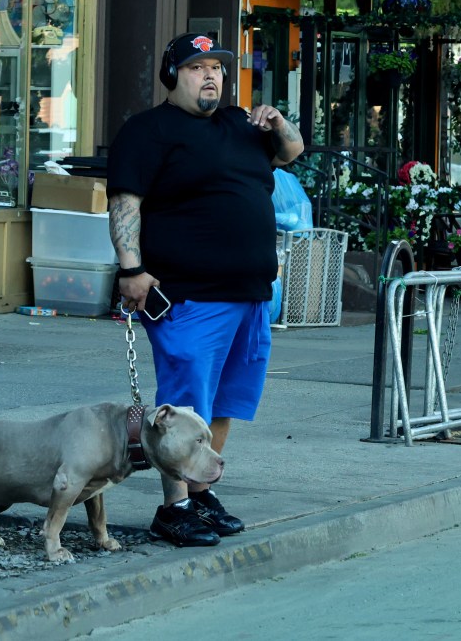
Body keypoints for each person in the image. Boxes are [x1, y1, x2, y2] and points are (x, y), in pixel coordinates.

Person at [106, 33, 304, 547]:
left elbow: (293, 152)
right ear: (174, 76)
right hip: (187, 298)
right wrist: (131, 270)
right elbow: (125, 205)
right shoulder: (147, 132)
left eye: (217, 66)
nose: (211, 74)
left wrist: (280, 124)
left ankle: (200, 490)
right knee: (182, 405)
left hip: (251, 297)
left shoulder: (242, 124)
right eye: (198, 67)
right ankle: (174, 506)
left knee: (221, 405)